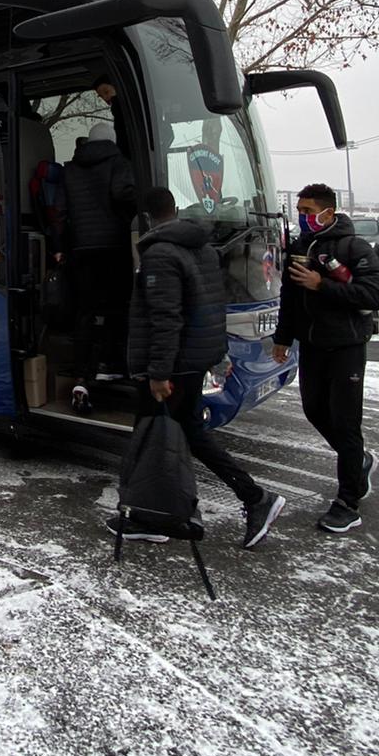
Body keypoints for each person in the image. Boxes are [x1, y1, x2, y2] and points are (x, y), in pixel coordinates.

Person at [128, 185, 285, 549]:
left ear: (146, 218)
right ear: (176, 209)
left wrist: (158, 373)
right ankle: (158, 515)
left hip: (175, 365)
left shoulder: (160, 255)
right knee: (176, 436)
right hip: (195, 358)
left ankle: (254, 498)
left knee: (160, 437)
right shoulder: (201, 248)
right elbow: (210, 306)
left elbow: (166, 318)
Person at [271, 182, 379, 534]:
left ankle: (348, 502)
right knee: (314, 409)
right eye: (300, 212)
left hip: (347, 346)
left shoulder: (354, 247)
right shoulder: (301, 247)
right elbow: (290, 298)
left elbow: (372, 294)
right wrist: (283, 338)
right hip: (312, 344)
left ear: (328, 212)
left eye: (307, 212)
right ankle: (358, 462)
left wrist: (322, 284)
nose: (302, 218)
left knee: (346, 421)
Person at [58, 120, 135, 411]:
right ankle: (110, 364)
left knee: (85, 312)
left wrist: (61, 247)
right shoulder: (118, 162)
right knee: (117, 308)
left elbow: (61, 212)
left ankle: (82, 372)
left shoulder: (71, 169)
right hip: (114, 247)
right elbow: (123, 195)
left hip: (81, 249)